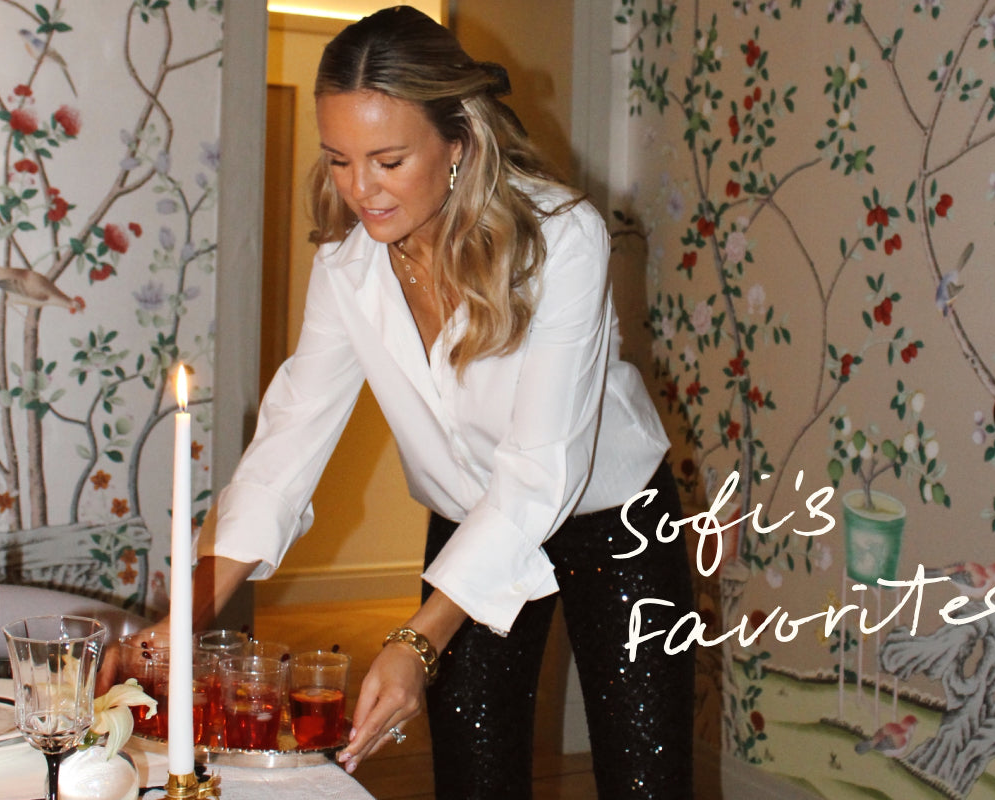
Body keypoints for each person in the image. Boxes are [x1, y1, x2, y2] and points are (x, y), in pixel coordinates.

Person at [190, 6, 695, 798]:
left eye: (387, 160)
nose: (360, 190)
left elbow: (538, 472)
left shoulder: (563, 238)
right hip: (467, 520)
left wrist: (415, 641)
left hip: (614, 520)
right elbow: (288, 441)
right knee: (472, 777)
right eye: (338, 160)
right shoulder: (346, 268)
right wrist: (186, 611)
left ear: (457, 142)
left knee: (645, 780)